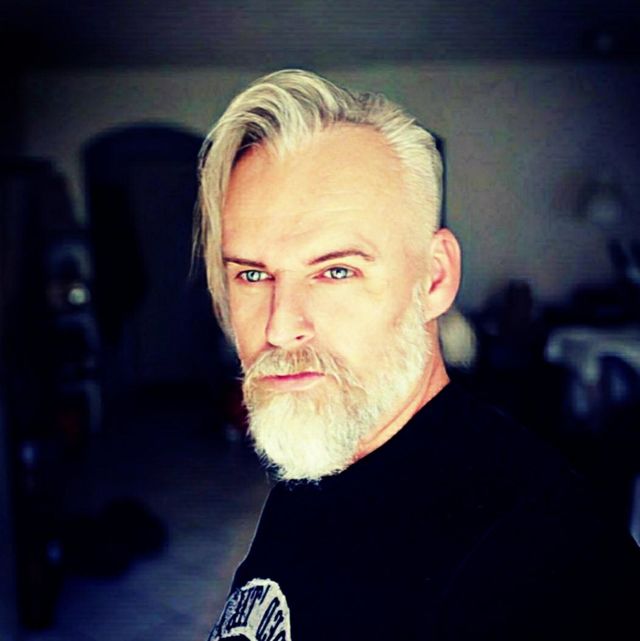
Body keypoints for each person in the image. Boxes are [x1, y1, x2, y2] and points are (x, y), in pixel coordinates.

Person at [197, 70, 639, 641]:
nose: (280, 328)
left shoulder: (547, 560)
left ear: (434, 278)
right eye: (253, 275)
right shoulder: (318, 458)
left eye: (336, 271)